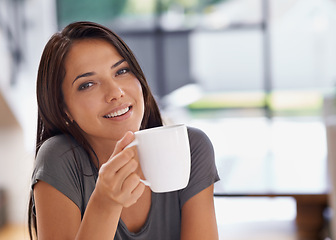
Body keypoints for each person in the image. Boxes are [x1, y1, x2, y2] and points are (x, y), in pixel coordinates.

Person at [28, 21, 220, 240]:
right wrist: (105, 203)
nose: (115, 92)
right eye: (88, 84)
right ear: (64, 110)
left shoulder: (192, 148)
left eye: (121, 71)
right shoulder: (60, 159)